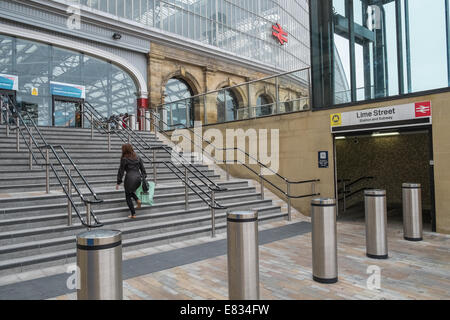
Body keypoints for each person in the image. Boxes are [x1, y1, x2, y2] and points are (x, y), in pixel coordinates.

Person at [116, 144, 147, 218]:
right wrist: (144, 177)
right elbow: (143, 169)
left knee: (128, 196)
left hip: (129, 178)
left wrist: (118, 182)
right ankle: (137, 200)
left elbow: (121, 171)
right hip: (138, 178)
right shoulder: (138, 157)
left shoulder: (124, 158)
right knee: (130, 192)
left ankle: (133, 214)